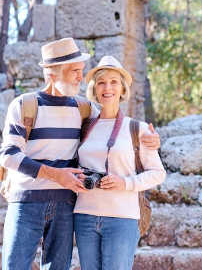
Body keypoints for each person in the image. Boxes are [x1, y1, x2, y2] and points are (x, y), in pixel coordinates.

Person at [0, 38, 160, 270]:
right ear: (53, 75)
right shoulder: (24, 105)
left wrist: (152, 141)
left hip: (65, 205)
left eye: (81, 71)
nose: (80, 77)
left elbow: (113, 122)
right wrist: (56, 175)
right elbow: (9, 154)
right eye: (74, 71)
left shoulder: (84, 109)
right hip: (26, 202)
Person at [74, 56, 166, 270]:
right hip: (84, 217)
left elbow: (158, 173)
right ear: (94, 89)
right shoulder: (84, 127)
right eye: (101, 82)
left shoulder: (137, 129)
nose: (107, 87)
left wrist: (124, 183)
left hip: (122, 219)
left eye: (114, 82)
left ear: (123, 89)